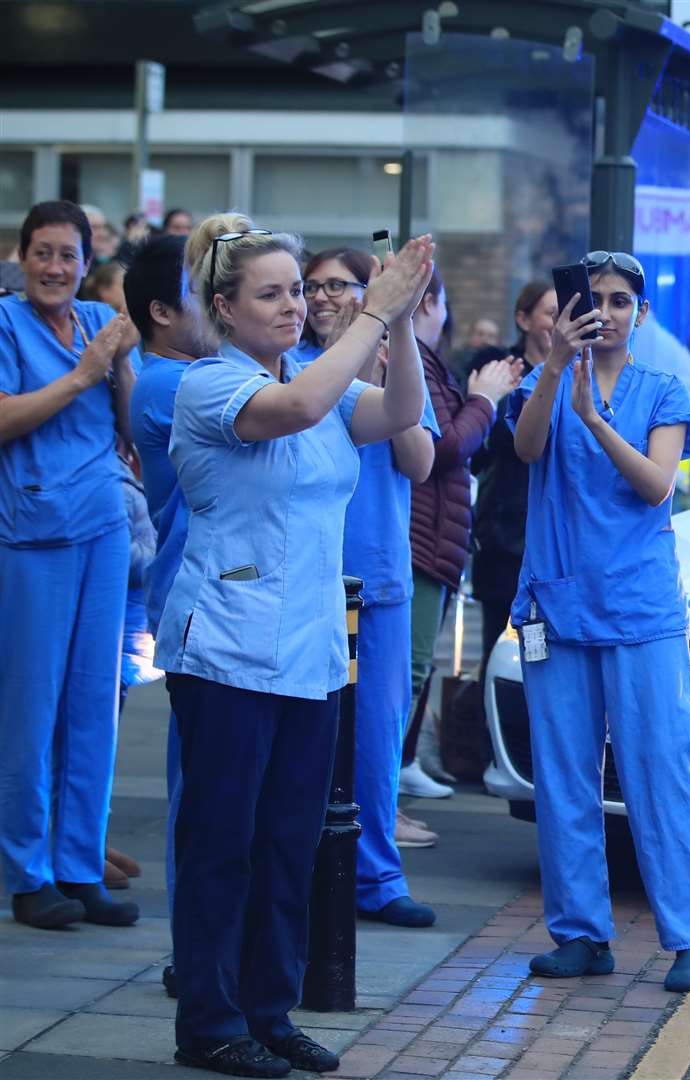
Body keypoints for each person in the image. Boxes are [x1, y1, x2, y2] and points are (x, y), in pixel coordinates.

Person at [158, 211, 432, 1077]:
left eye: (293, 291)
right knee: (222, 844)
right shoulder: (209, 386)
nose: (289, 307)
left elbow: (401, 413)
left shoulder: (325, 377)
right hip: (228, 652)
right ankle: (209, 1022)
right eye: (271, 294)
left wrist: (405, 320)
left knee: (290, 842)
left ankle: (270, 1013)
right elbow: (301, 405)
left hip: (310, 652)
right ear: (224, 308)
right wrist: (371, 316)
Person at [510, 251, 690, 993]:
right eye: (592, 299)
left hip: (638, 609)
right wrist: (557, 368)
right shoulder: (548, 377)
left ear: (641, 313)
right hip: (556, 605)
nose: (606, 311)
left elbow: (657, 484)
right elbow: (525, 447)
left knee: (659, 769)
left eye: (620, 300)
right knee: (564, 777)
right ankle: (580, 934)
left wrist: (595, 420)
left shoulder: (661, 389)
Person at [0, 200, 140, 931]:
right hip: (31, 535)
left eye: (68, 255)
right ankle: (27, 873)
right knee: (30, 710)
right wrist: (87, 372)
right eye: (42, 252)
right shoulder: (3, 323)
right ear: (21, 257)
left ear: (88, 263)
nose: (55, 268)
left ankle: (78, 865)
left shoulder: (96, 324)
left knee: (94, 705)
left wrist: (118, 365)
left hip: (102, 528)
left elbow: (132, 426)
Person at [298, 247, 444, 920]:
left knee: (376, 743)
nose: (326, 297)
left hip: (379, 582)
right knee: (305, 739)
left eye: (342, 285)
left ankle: (377, 881)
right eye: (315, 285)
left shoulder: (396, 368)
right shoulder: (290, 370)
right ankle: (300, 879)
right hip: (303, 583)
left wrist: (390, 359)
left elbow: (419, 463)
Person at [126, 232, 211, 996]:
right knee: (199, 796)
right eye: (199, 287)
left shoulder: (202, 374)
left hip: (226, 608)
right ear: (160, 312)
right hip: (193, 613)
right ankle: (193, 955)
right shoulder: (165, 384)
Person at [399, 271, 520, 800]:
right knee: (405, 672)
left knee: (409, 671)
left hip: (435, 538)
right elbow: (446, 447)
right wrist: (485, 400)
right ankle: (377, 802)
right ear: (432, 304)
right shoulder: (414, 363)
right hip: (422, 540)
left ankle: (387, 785)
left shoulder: (423, 363)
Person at [470, 278, 556, 670]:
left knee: (548, 654)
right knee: (499, 646)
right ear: (523, 319)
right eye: (550, 314)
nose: (559, 324)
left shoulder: (584, 373)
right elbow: (491, 443)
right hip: (506, 534)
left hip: (557, 534)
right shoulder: (500, 370)